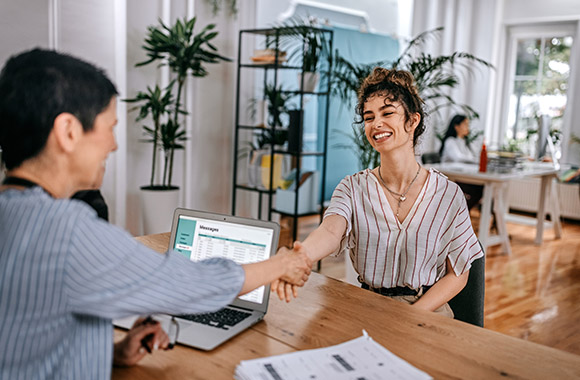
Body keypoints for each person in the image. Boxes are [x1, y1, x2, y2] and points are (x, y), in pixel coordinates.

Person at [0, 48, 312, 379]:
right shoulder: (64, 231)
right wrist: (282, 264)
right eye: (110, 127)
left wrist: (111, 353)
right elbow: (190, 284)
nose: (114, 145)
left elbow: (28, 334)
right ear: (69, 132)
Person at [275, 68, 483, 317]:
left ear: (413, 121)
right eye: (369, 117)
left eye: (387, 113)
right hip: (368, 308)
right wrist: (300, 257)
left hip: (427, 313)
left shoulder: (448, 195)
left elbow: (458, 274)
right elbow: (330, 230)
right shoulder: (353, 188)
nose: (377, 124)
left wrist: (412, 315)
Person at [439, 114, 483, 210]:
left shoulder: (464, 142)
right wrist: (475, 160)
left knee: (481, 189)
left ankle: (460, 214)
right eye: (465, 124)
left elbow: (470, 156)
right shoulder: (450, 141)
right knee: (479, 190)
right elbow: (458, 158)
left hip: (462, 176)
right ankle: (461, 214)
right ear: (457, 126)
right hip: (451, 178)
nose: (468, 127)